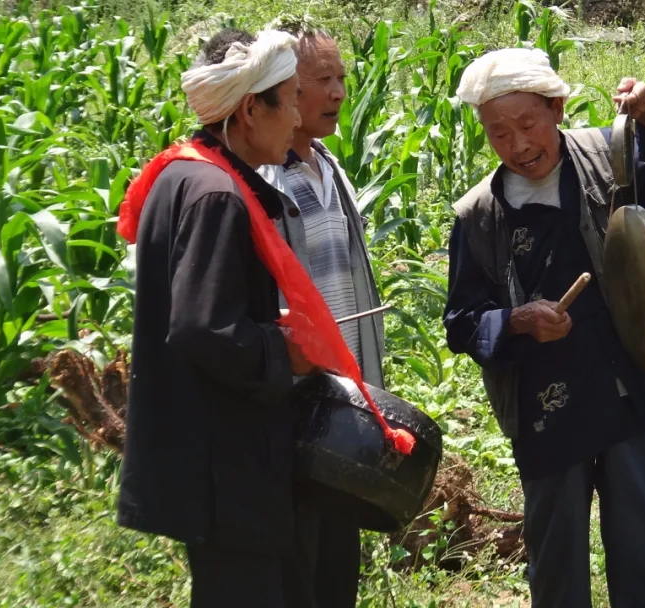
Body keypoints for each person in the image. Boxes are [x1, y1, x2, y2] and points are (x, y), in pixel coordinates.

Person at [442, 48, 645, 608]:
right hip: (549, 415)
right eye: (499, 134)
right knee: (557, 566)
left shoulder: (609, 157)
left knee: (643, 557)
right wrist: (516, 321)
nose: (518, 145)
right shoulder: (478, 217)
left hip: (627, 396)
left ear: (558, 109)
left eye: (527, 124)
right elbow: (461, 323)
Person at [116, 28, 313, 607]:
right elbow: (203, 327)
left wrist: (259, 321)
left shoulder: (183, 174)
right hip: (227, 470)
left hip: (207, 461)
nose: (299, 118)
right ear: (253, 109)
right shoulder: (217, 195)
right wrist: (285, 353)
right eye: (294, 98)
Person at [258, 23, 384, 608]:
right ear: (282, 89)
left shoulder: (331, 167)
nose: (338, 93)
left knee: (339, 561)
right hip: (296, 402)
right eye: (322, 79)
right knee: (297, 563)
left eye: (341, 78)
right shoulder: (264, 179)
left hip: (345, 399)